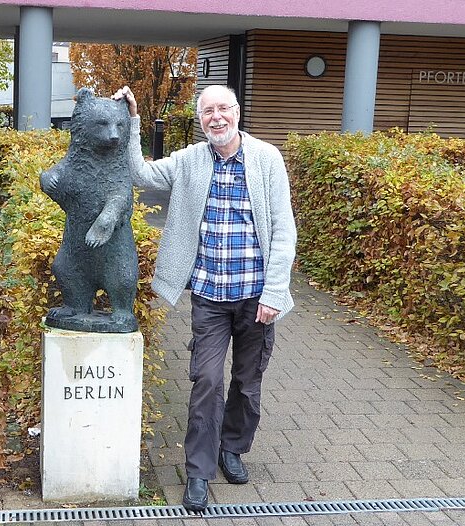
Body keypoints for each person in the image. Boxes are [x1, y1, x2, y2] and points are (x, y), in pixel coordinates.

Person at [114, 85, 297, 512]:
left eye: (223, 109)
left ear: (236, 112)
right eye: (207, 112)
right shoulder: (189, 160)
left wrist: (274, 292)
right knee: (208, 382)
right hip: (210, 297)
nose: (216, 118)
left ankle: (231, 449)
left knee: (247, 384)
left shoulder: (267, 158)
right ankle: (198, 472)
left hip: (257, 298)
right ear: (200, 120)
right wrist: (134, 119)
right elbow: (140, 173)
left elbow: (284, 230)